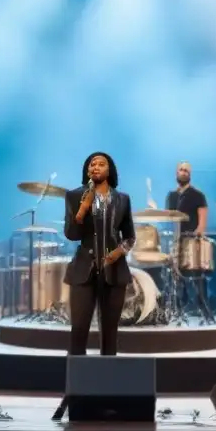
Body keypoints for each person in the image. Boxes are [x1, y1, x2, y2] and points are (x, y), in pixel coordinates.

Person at [63, 152, 136, 356]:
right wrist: (82, 209)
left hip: (114, 271)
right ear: (87, 171)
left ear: (109, 170)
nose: (95, 167)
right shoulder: (74, 196)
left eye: (101, 164)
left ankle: (108, 383)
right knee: (78, 330)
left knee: (110, 332)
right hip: (83, 270)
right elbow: (71, 234)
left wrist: (118, 252)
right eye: (91, 164)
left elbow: (130, 237)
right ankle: (77, 383)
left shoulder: (123, 199)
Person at [165, 161, 214, 322]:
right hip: (176, 241)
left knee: (197, 281)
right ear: (176, 173)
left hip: (192, 241)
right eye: (181, 169)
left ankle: (206, 313)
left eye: (186, 170)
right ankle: (177, 312)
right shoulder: (171, 196)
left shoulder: (197, 195)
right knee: (176, 281)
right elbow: (168, 217)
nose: (183, 172)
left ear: (190, 174)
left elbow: (202, 221)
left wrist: (198, 234)